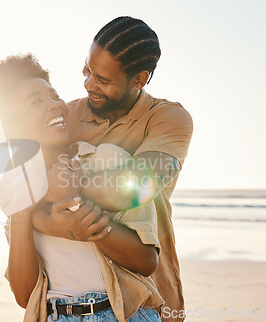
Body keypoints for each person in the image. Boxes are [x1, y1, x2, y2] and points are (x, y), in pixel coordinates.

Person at [0, 54, 163, 321]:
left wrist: (75, 202)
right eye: (36, 102)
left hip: (122, 314)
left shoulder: (108, 160)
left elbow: (146, 261)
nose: (55, 106)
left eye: (54, 96)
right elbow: (24, 295)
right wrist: (23, 211)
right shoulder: (14, 189)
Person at [34, 17, 194, 322]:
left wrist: (65, 189)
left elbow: (142, 183)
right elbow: (21, 185)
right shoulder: (66, 115)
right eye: (87, 71)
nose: (89, 84)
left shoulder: (169, 119)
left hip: (146, 292)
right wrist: (54, 219)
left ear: (139, 79)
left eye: (103, 80)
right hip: (71, 297)